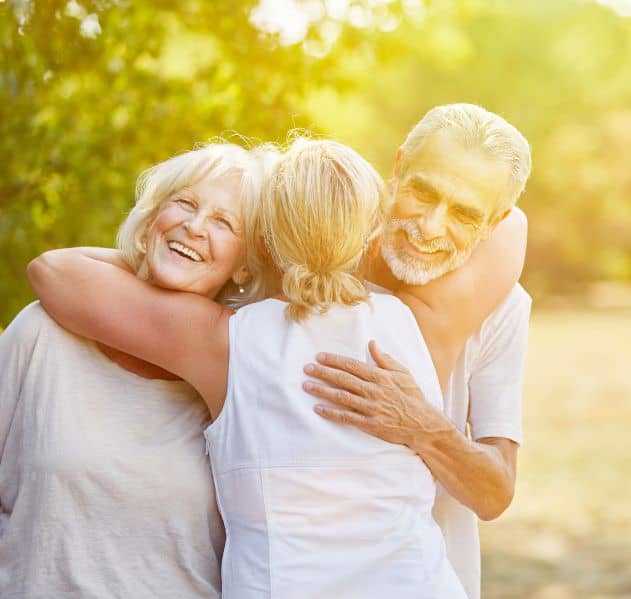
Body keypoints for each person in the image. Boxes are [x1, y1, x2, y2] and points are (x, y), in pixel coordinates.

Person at [27, 137, 525, 598]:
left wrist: (158, 248)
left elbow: (54, 272)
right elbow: (513, 225)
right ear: (372, 237)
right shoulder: (418, 325)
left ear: (260, 244)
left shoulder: (224, 341)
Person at [0, 141, 276, 596]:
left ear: (244, 268)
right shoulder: (41, 332)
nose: (195, 226)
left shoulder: (236, 379)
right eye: (184, 203)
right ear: (151, 219)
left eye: (224, 222)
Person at [300, 103, 533, 599]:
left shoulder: (504, 308)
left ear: (497, 221)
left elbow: (494, 494)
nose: (429, 227)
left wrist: (423, 428)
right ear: (398, 165)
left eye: (466, 214)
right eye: (423, 193)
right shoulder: (318, 257)